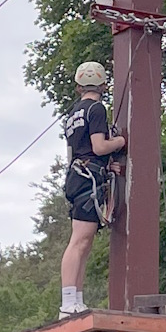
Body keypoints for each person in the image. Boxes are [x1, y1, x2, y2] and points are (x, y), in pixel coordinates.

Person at [59, 60, 127, 318]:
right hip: (88, 178)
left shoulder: (73, 113)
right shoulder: (96, 109)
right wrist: (120, 141)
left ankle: (74, 298)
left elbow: (83, 150)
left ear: (78, 86)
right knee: (79, 241)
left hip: (80, 175)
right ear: (103, 84)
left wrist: (107, 167)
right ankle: (68, 301)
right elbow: (98, 147)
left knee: (83, 242)